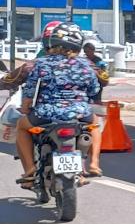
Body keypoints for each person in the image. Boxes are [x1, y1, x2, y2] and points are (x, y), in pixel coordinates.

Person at [15, 22, 100, 189]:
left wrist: (25, 109)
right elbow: (94, 89)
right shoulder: (85, 65)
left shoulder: (42, 63)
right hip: (79, 114)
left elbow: (30, 91)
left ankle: (30, 171)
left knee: (21, 127)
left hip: (46, 113)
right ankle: (94, 164)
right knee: (95, 125)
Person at [81, 41, 110, 176]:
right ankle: (88, 165)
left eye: (90, 50)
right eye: (86, 51)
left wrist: (97, 73)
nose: (88, 53)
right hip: (83, 103)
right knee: (93, 130)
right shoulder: (81, 62)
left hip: (94, 100)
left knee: (96, 128)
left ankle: (94, 162)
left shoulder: (98, 62)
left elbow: (105, 80)